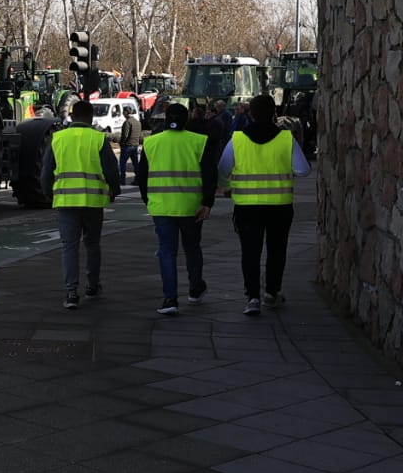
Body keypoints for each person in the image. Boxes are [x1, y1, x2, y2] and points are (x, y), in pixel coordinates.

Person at [219, 93, 312, 316]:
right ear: (274, 113)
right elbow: (303, 170)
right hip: (279, 206)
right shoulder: (286, 139)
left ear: (250, 114)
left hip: (247, 207)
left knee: (250, 252)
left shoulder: (238, 140)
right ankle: (272, 292)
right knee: (277, 250)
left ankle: (252, 297)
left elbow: (222, 169)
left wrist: (227, 186)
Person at [41, 98, 121, 309]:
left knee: (69, 247)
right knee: (92, 245)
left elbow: (46, 172)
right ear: (90, 116)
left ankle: (71, 293)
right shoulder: (98, 139)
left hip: (66, 202)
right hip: (93, 202)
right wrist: (114, 189)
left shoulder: (57, 138)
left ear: (72, 116)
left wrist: (49, 193)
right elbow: (111, 169)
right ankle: (92, 286)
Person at [137, 102, 217, 314]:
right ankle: (195, 288)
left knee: (166, 252)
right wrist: (207, 202)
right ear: (187, 119)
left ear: (165, 119)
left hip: (161, 207)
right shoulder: (199, 142)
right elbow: (210, 174)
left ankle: (170, 299)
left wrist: (148, 200)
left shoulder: (151, 143)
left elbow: (142, 177)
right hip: (192, 207)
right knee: (192, 248)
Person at [117, 104, 143, 185]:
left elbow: (125, 135)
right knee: (135, 164)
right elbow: (140, 135)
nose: (122, 114)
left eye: (123, 112)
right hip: (135, 145)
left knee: (122, 163)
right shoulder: (138, 122)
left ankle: (122, 180)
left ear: (126, 112)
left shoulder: (127, 122)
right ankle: (138, 179)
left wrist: (121, 143)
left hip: (127, 146)